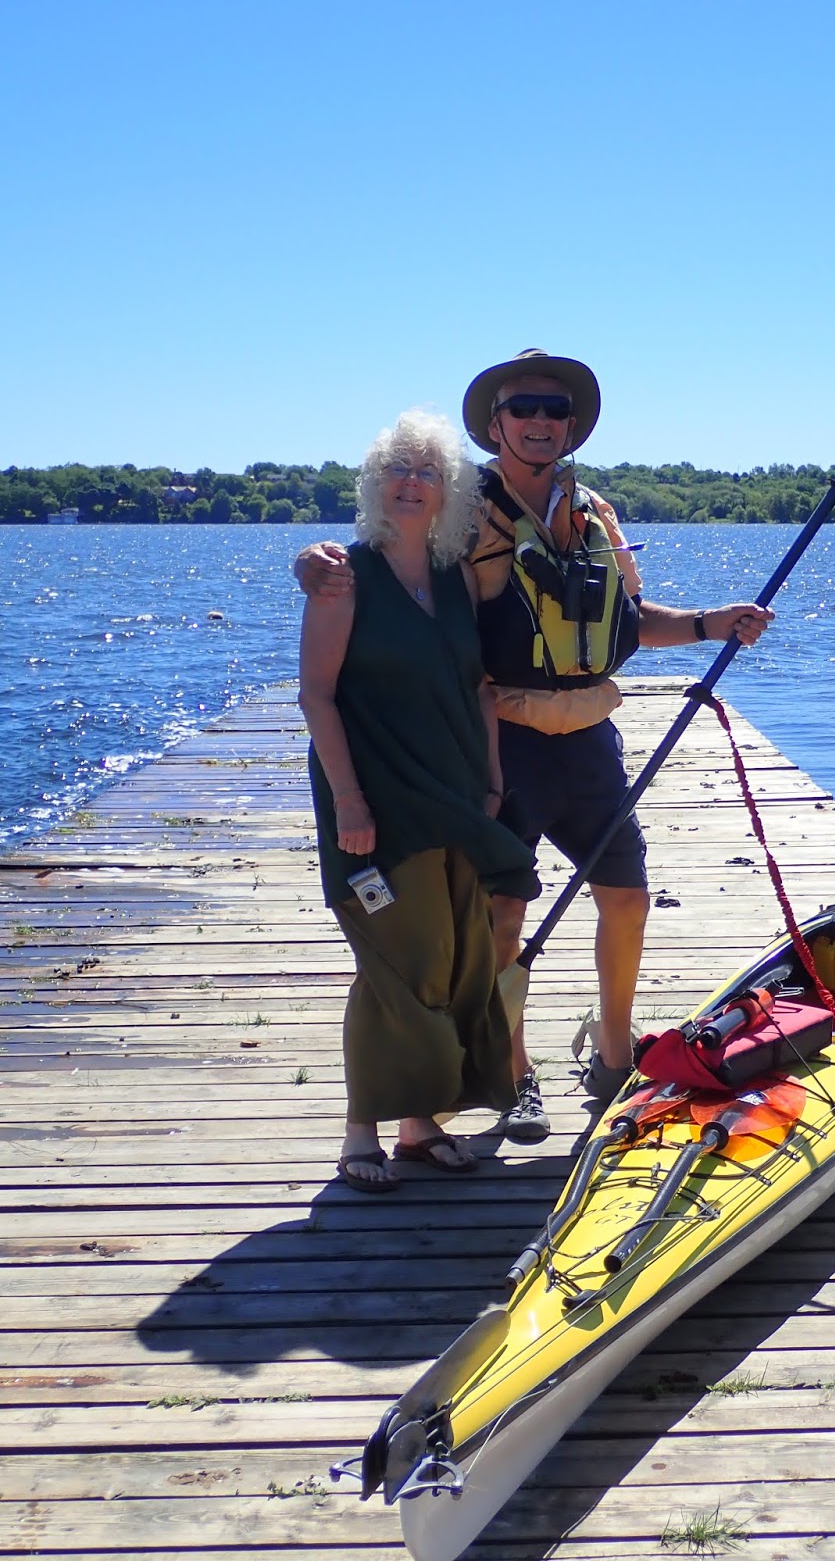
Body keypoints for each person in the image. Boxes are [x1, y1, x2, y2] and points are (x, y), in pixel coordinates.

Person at [295, 352, 772, 1141]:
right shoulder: (460, 510)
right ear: (495, 425)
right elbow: (392, 557)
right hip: (500, 743)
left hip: (587, 739)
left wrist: (707, 624)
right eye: (525, 410)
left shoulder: (596, 514)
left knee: (626, 897)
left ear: (572, 425)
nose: (541, 421)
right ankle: (516, 1078)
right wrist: (310, 561)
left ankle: (614, 1060)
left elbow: (628, 621)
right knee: (502, 917)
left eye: (556, 409)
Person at [298, 408, 536, 1191]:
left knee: (449, 956)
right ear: (375, 483)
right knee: (393, 963)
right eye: (397, 467)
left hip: (457, 795)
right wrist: (350, 803)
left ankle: (419, 1125)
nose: (411, 481)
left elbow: (478, 691)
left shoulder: (454, 574)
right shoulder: (342, 575)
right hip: (377, 803)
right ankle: (357, 1131)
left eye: (427, 471)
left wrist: (493, 782)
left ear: (448, 491)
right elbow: (318, 698)